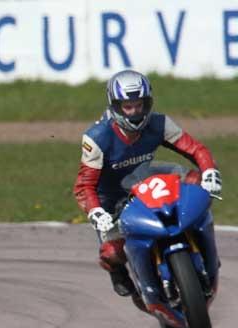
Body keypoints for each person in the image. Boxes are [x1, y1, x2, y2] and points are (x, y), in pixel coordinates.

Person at [73, 70, 221, 301]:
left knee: (197, 182)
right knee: (112, 252)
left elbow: (196, 149)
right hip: (112, 201)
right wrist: (95, 211)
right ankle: (119, 272)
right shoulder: (97, 138)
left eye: (139, 105)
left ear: (147, 103)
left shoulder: (160, 123)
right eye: (127, 107)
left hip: (144, 180)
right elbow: (84, 185)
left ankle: (204, 245)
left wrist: (209, 170)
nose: (134, 112)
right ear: (115, 106)